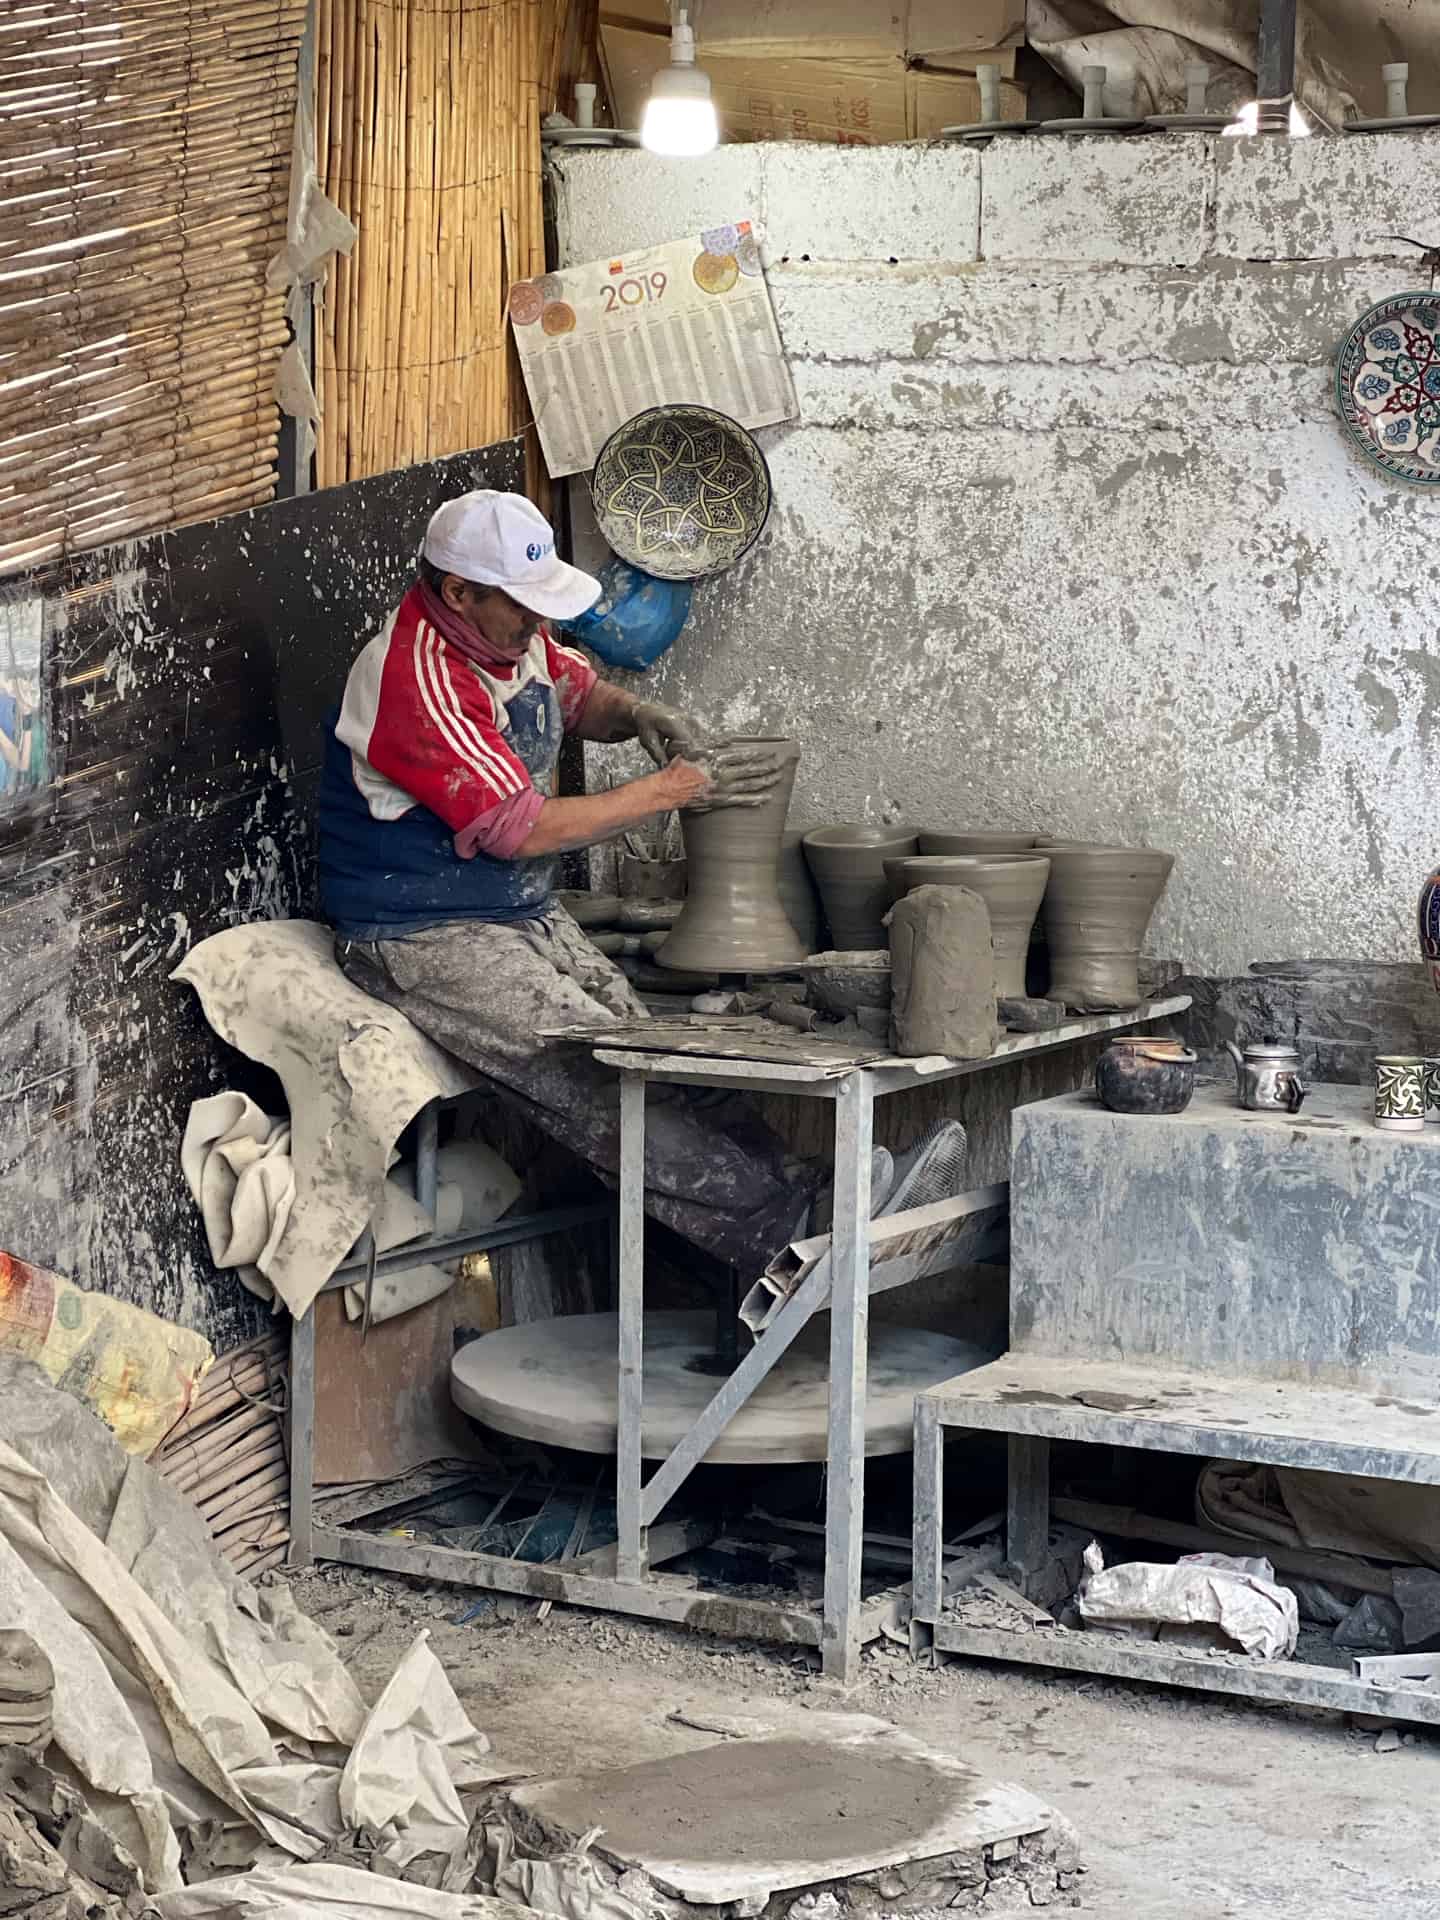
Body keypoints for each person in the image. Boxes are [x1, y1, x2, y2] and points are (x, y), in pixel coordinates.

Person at [319, 489, 819, 1274]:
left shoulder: (507, 637)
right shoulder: (417, 677)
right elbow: (519, 830)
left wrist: (641, 713)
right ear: (459, 592)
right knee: (600, 1073)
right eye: (522, 605)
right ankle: (789, 1236)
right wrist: (667, 792)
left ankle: (805, 1193)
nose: (536, 622)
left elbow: (577, 693)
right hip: (418, 932)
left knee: (656, 1048)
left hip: (514, 911)